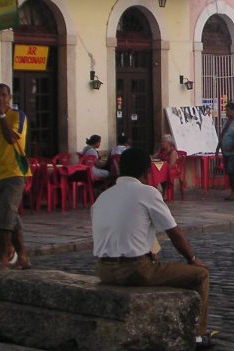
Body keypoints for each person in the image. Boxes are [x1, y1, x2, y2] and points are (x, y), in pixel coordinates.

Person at [91, 147, 214, 350]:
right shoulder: (148, 193)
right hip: (135, 270)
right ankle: (197, 335)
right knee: (200, 275)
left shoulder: (102, 197)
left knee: (152, 249)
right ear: (146, 172)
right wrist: (192, 259)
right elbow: (174, 233)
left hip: (104, 270)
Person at [0, 83, 32, 270]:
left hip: (15, 172)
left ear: (10, 97)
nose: (0, 99)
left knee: (5, 213)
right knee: (1, 217)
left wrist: (3, 115)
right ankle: (22, 256)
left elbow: (11, 138)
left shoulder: (17, 116)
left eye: (4, 95)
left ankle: (3, 255)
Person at [216, 102, 234, 201]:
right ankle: (233, 191)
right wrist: (218, 147)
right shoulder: (226, 121)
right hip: (225, 151)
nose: (226, 112)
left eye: (228, 110)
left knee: (232, 171)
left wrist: (232, 147)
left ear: (233, 111)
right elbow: (223, 134)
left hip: (233, 152)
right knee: (229, 171)